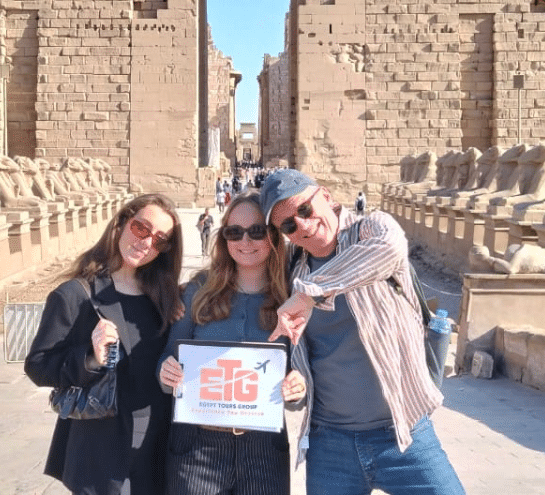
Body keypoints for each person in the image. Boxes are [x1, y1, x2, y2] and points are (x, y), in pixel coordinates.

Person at [259, 170, 465, 495]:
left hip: (404, 431)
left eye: (305, 209)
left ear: (325, 197)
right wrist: (294, 381)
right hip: (330, 443)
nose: (303, 225)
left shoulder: (372, 228)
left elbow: (389, 250)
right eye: (288, 225)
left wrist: (310, 293)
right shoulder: (293, 271)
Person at [24, 193, 184, 495]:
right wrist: (90, 357)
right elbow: (38, 365)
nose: (147, 243)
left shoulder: (164, 297)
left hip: (158, 444)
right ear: (122, 222)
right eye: (141, 229)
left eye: (160, 240)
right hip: (101, 445)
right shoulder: (75, 294)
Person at [158, 192, 307, 495]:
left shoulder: (294, 300)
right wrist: (167, 373)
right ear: (224, 237)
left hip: (264, 449)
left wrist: (298, 389)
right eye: (234, 232)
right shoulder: (197, 291)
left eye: (257, 231)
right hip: (197, 448)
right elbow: (166, 364)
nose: (245, 241)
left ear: (273, 236)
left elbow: (299, 385)